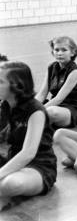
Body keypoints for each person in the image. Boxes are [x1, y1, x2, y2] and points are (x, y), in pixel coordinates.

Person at [0, 62, 57, 209]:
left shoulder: (35, 110)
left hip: (38, 167)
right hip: (12, 159)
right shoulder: (5, 105)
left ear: (16, 86)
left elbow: (28, 153)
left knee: (11, 184)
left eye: (0, 81)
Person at [35, 36, 77, 128]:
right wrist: (30, 108)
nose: (59, 53)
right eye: (56, 50)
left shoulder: (75, 72)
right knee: (26, 101)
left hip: (70, 110)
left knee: (51, 112)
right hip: (53, 104)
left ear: (72, 53)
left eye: (64, 50)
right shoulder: (51, 67)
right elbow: (42, 94)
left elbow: (58, 99)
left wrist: (37, 112)